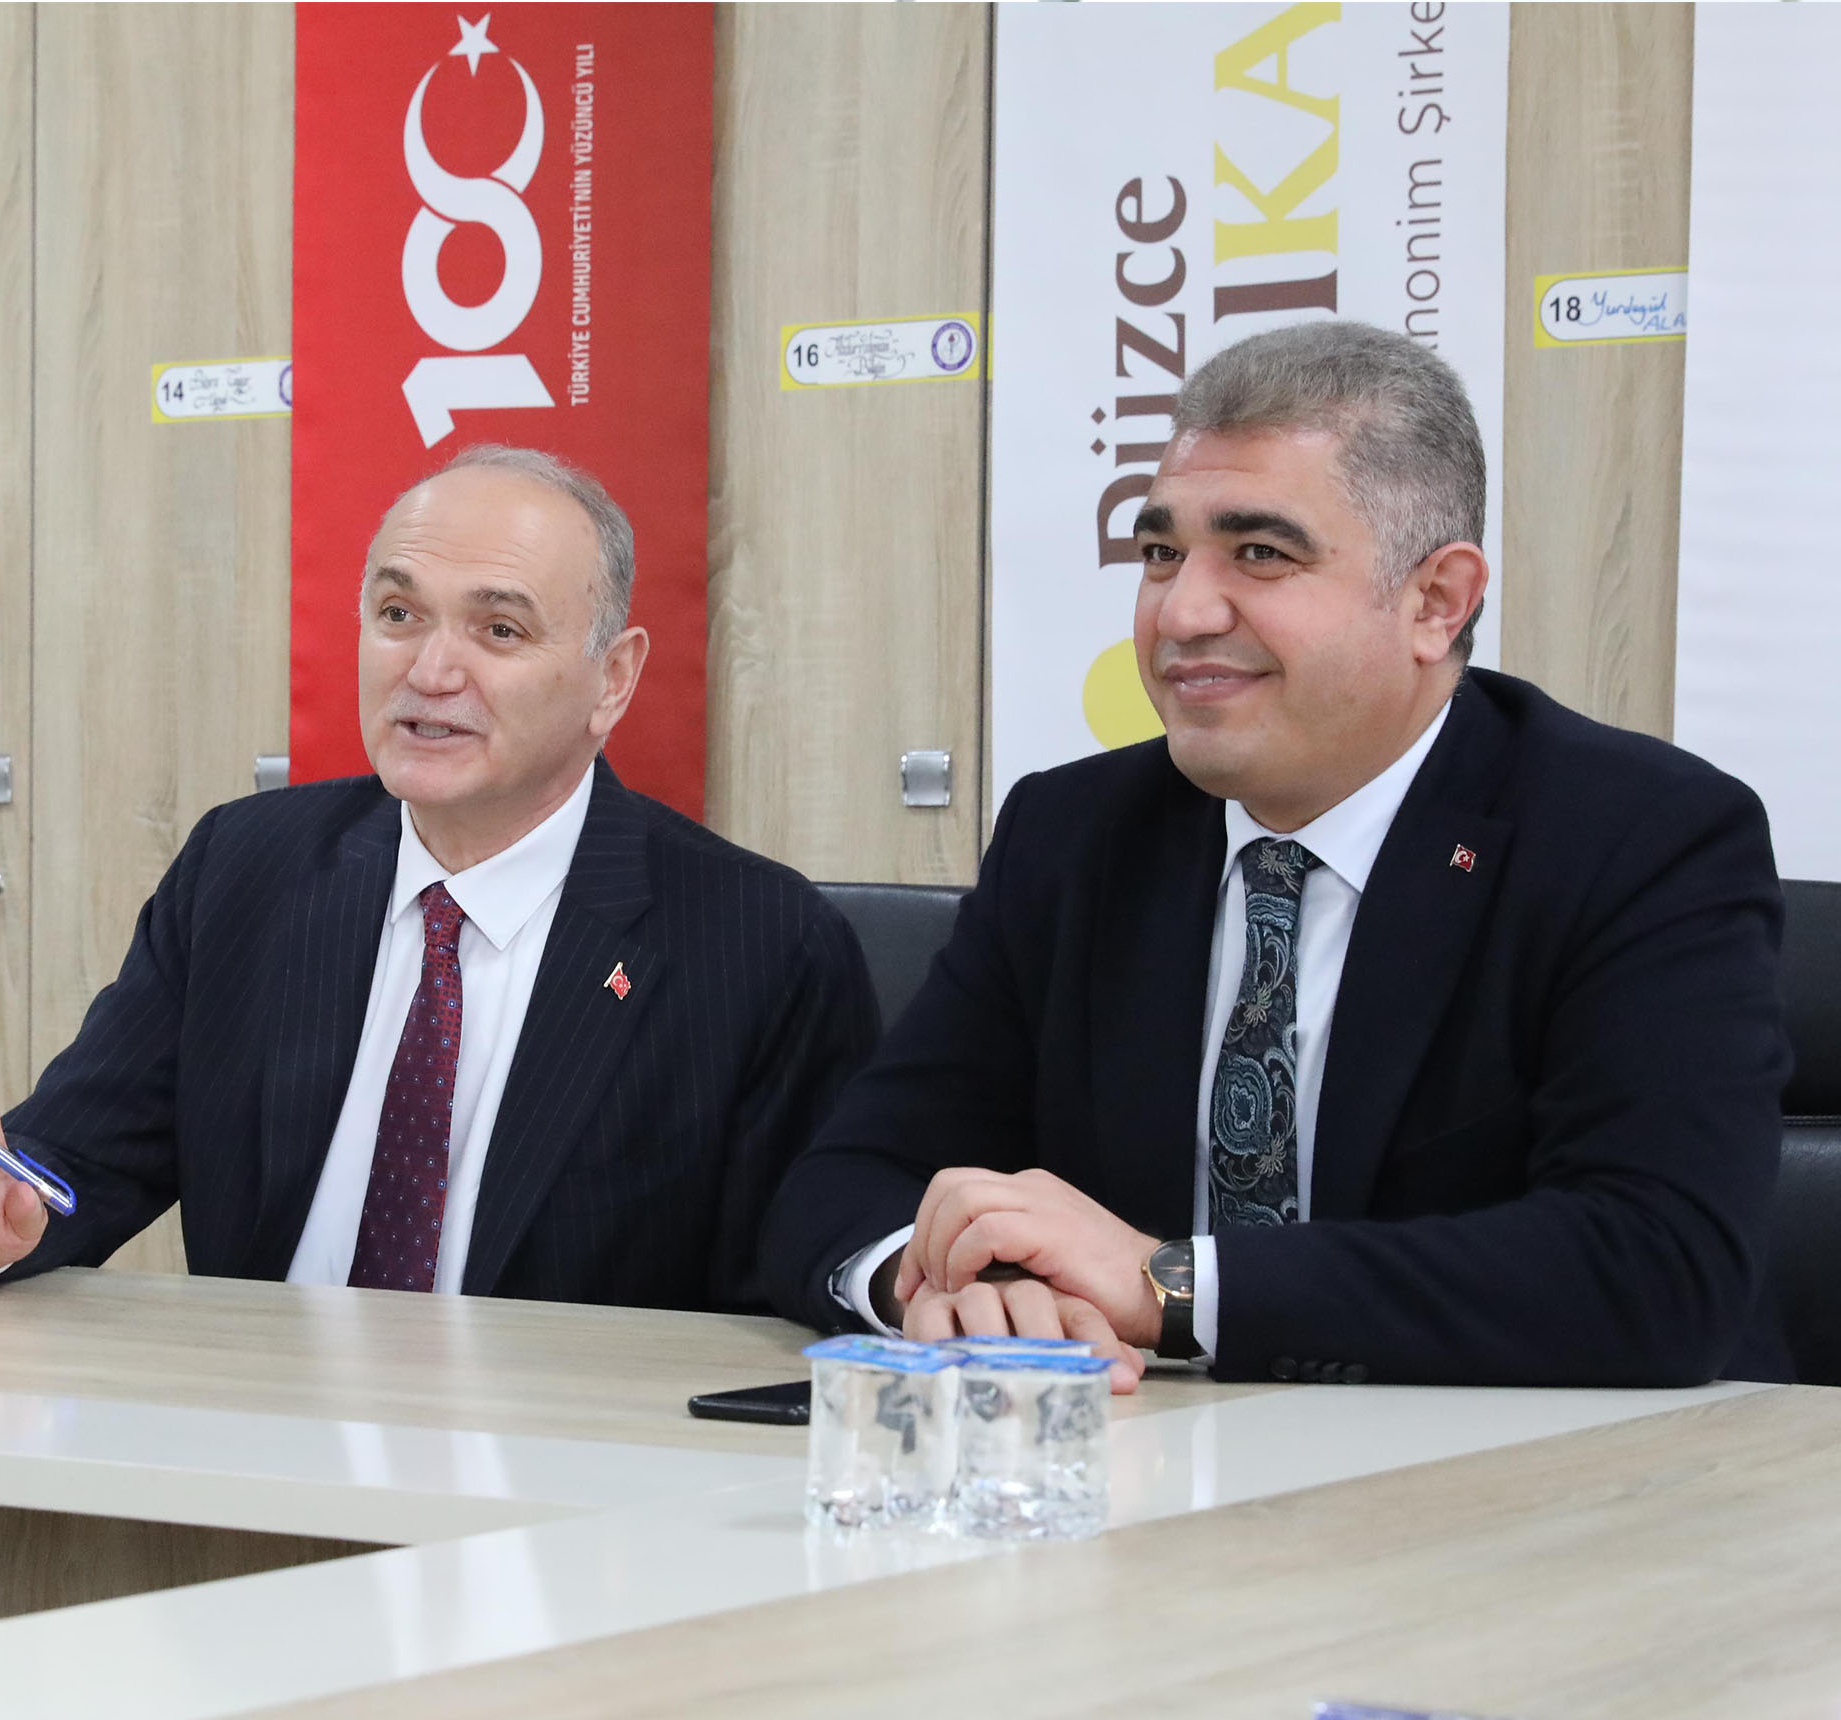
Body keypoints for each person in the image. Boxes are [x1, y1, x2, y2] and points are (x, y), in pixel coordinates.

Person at [759, 320, 1791, 1390]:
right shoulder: (1071, 832)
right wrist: (933, 1282)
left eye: (1260, 553)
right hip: (1153, 1457)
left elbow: (1656, 1264)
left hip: (1561, 1471)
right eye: (1160, 554)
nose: (1181, 611)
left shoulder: (1638, 835)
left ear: (1435, 601)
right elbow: (845, 1178)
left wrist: (1175, 1288)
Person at [0, 446, 877, 1309]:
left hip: (566, 1461)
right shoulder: (246, 868)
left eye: (499, 630)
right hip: (263, 1440)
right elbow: (78, 1160)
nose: (430, 671)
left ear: (612, 678)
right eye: (397, 614)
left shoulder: (757, 942)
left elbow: (796, 1284)